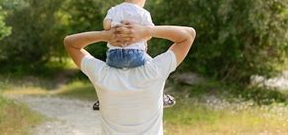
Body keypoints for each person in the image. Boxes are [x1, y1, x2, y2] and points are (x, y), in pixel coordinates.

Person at [63, 22, 195, 134]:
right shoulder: (154, 71)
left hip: (111, 80)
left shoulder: (102, 74)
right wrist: (146, 31)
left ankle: (105, 100)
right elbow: (189, 34)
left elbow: (70, 42)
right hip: (148, 75)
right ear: (144, 46)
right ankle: (160, 95)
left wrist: (105, 35)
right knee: (149, 64)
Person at [93, 0, 175, 110]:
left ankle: (102, 99)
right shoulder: (144, 13)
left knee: (107, 75)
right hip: (136, 55)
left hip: (114, 56)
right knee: (155, 67)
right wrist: (144, 38)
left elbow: (106, 26)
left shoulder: (114, 10)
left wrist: (115, 25)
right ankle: (161, 96)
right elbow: (151, 32)